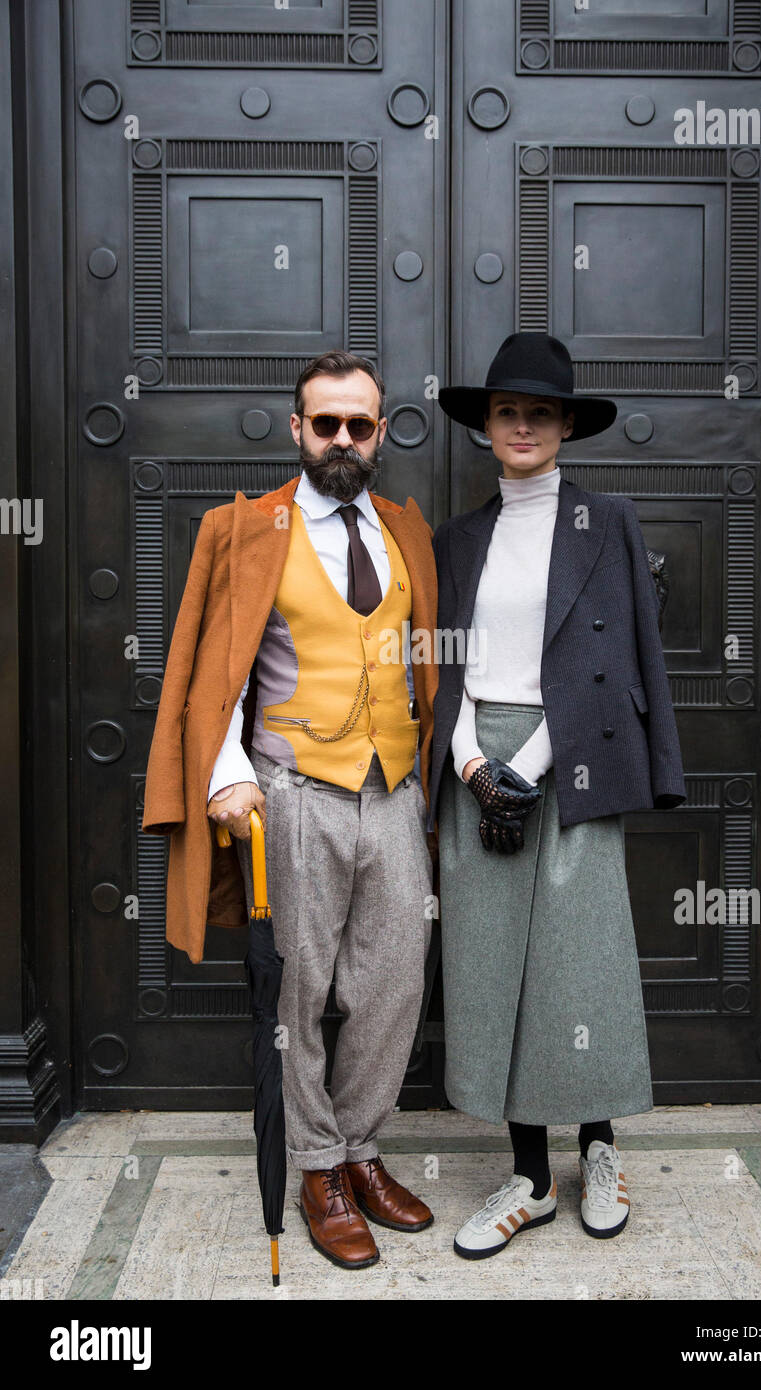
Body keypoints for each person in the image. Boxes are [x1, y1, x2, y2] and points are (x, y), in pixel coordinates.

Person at [142, 350, 438, 1271]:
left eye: (360, 424)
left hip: (393, 786)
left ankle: (358, 1148)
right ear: (297, 427)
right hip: (290, 791)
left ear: (382, 432)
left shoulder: (405, 526)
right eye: (326, 423)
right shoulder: (242, 529)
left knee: (393, 986)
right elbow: (202, 671)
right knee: (300, 993)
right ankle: (315, 1169)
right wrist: (225, 774)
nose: (343, 439)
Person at [428, 332, 686, 1259]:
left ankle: (601, 1150)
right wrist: (468, 762)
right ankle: (531, 1178)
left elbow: (613, 661)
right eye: (508, 412)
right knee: (496, 969)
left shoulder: (606, 521)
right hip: (476, 763)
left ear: (566, 425)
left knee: (583, 965)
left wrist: (530, 764)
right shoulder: (456, 538)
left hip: (567, 757)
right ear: (486, 428)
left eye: (541, 412)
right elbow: (449, 666)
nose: (524, 426)